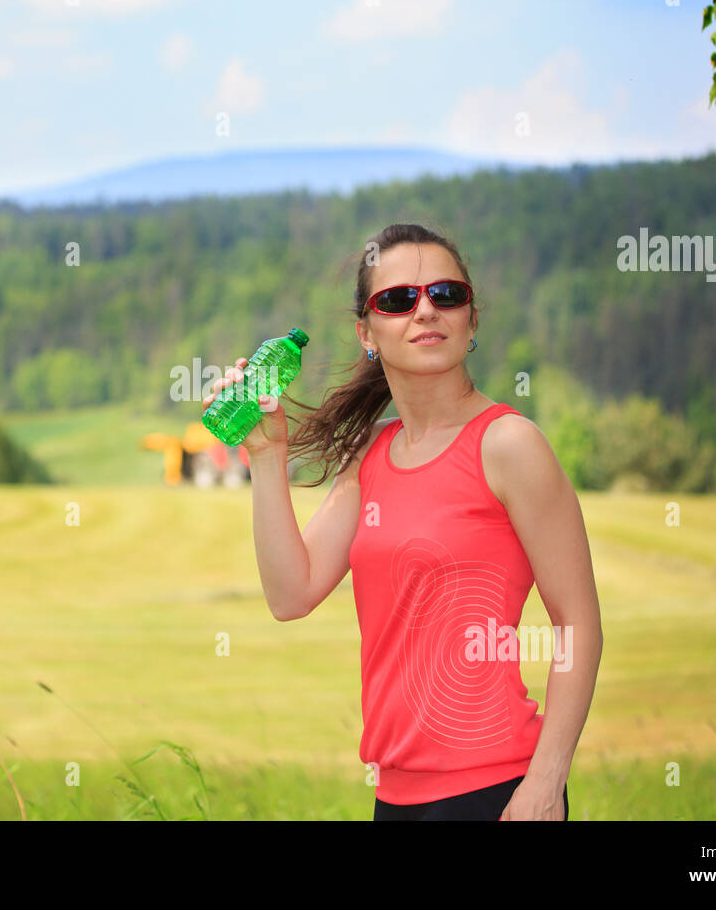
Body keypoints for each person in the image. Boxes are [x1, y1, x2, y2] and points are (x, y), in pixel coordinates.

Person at [201, 223, 603, 821]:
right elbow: (291, 593)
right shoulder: (372, 455)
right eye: (397, 299)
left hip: (495, 792)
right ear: (368, 333)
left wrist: (546, 783)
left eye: (446, 294)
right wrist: (266, 456)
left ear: (471, 319)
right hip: (394, 797)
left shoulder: (509, 445)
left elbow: (577, 622)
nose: (425, 310)